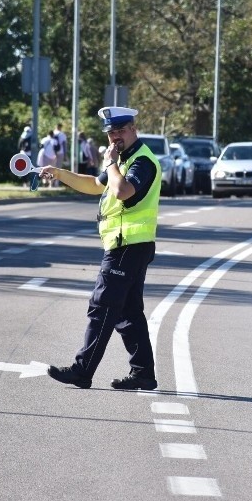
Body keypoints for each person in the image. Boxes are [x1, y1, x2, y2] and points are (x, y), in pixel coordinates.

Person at [41, 106, 162, 391]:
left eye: (120, 131)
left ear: (133, 128)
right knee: (128, 313)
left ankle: (83, 371)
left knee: (102, 306)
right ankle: (143, 373)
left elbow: (122, 191)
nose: (115, 138)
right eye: (111, 133)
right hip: (128, 245)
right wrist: (59, 173)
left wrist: (110, 162)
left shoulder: (141, 161)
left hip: (127, 245)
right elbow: (96, 185)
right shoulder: (125, 159)